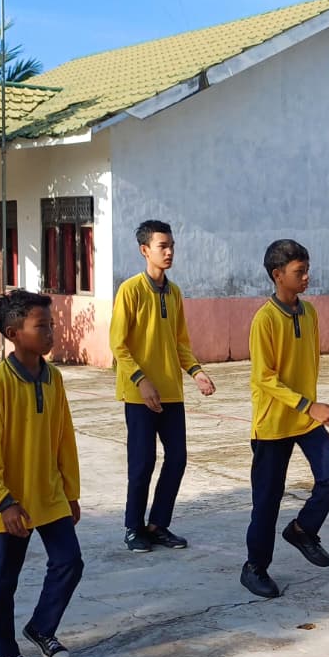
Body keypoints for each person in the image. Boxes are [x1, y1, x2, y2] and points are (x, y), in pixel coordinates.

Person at [0, 289, 84, 657]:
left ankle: (41, 627)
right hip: (5, 502)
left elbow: (63, 439)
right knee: (3, 582)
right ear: (14, 332)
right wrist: (4, 502)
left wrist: (71, 492)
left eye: (52, 325)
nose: (52, 332)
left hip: (48, 493)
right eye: (42, 326)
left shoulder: (53, 378)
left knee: (70, 561)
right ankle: (5, 653)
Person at [240, 239, 329, 599]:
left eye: (306, 269)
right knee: (267, 502)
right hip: (273, 424)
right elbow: (264, 378)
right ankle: (255, 568)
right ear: (277, 275)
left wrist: (313, 407)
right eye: (299, 271)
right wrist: (308, 405)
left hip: (304, 418)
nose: (306, 277)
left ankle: (302, 530)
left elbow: (309, 364)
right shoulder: (265, 319)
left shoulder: (310, 312)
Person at [111, 220, 216, 553]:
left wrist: (196, 372)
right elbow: (118, 345)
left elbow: (180, 342)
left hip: (171, 392)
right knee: (142, 462)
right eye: (162, 246)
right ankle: (133, 527)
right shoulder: (130, 290)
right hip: (139, 394)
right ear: (145, 250)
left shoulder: (174, 292)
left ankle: (158, 524)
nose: (169, 252)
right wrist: (141, 381)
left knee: (178, 459)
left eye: (171, 245)